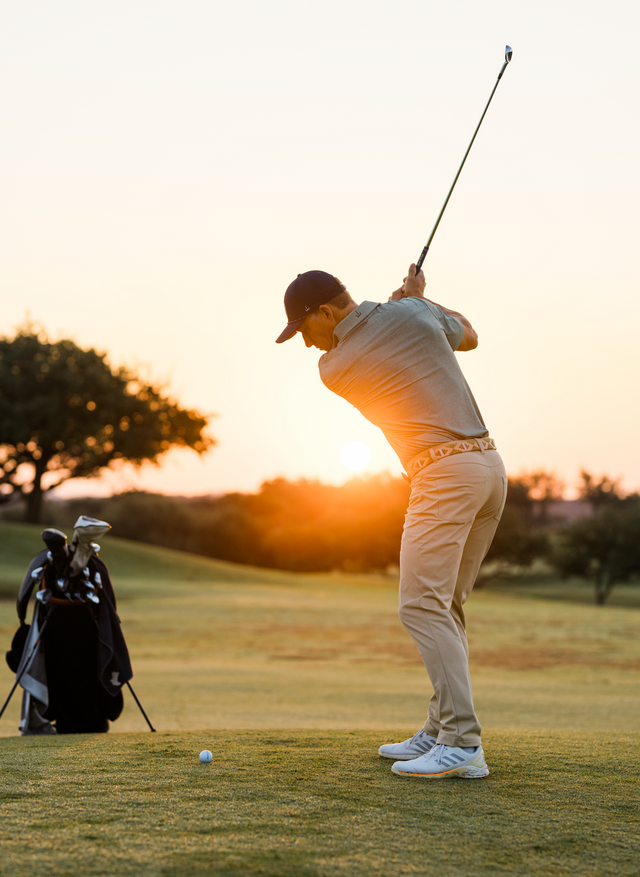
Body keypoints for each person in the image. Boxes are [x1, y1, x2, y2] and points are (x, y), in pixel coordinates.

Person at [276, 263, 507, 779]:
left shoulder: (334, 368)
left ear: (327, 312)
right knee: (444, 605)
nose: (308, 346)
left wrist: (406, 304)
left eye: (304, 330)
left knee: (420, 605)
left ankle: (463, 744)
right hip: (490, 470)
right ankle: (441, 729)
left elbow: (375, 333)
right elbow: (467, 334)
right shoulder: (415, 313)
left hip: (444, 474)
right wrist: (422, 301)